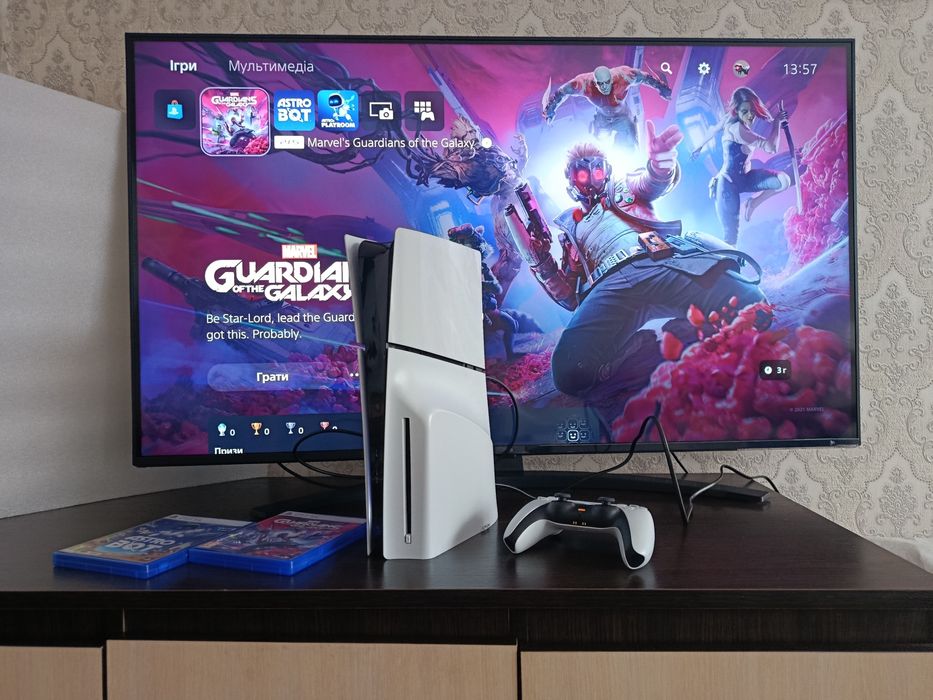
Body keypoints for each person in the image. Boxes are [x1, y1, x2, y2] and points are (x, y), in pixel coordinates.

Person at [691, 87, 791, 245]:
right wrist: (777, 123)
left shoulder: (730, 119)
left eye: (752, 111)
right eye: (745, 111)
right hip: (727, 186)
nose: (750, 115)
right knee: (731, 237)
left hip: (745, 179)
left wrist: (698, 147)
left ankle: (754, 203)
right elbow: (771, 148)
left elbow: (712, 130)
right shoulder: (738, 130)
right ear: (736, 111)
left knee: (783, 181)